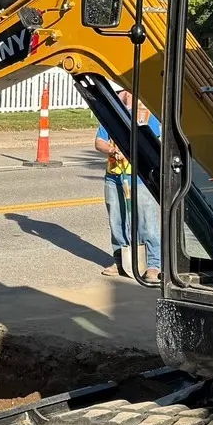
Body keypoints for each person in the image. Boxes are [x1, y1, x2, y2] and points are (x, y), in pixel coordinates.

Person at [95, 89, 162, 284]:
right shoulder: (111, 116)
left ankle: (153, 264)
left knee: (146, 222)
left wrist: (131, 152)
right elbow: (99, 141)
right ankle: (120, 261)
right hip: (114, 176)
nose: (117, 94)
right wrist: (111, 149)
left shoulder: (146, 115)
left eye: (120, 90)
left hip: (140, 178)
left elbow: (152, 143)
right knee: (117, 221)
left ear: (130, 91)